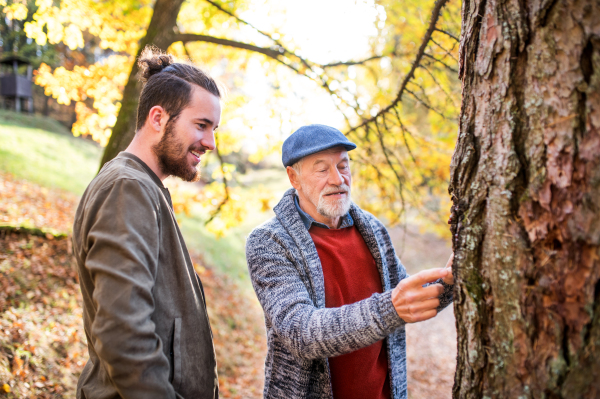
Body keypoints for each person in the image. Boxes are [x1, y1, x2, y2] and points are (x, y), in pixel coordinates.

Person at [246, 124, 454, 399]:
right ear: (293, 178)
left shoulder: (372, 229)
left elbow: (410, 299)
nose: (337, 179)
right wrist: (390, 308)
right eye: (322, 169)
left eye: (343, 166)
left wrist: (451, 281)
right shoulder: (269, 242)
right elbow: (300, 333)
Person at [72, 47, 222, 399]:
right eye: (201, 125)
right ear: (158, 119)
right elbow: (123, 334)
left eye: (214, 128)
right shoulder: (127, 188)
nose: (211, 142)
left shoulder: (143, 188)